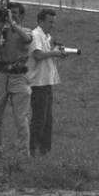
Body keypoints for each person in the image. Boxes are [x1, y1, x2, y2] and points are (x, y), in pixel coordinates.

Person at [0, 1, 33, 158]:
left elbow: (27, 39)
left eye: (15, 13)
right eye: (9, 13)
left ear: (22, 15)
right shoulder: (2, 31)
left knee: (21, 118)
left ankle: (22, 154)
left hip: (19, 76)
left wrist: (13, 24)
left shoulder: (25, 30)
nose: (11, 15)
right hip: (0, 75)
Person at [27, 9, 66, 156]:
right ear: (41, 21)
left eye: (53, 22)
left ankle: (45, 149)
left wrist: (57, 52)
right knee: (39, 118)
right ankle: (31, 149)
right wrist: (54, 53)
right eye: (50, 22)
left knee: (48, 119)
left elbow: (46, 54)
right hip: (38, 83)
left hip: (47, 81)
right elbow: (37, 55)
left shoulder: (47, 36)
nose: (52, 25)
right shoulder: (35, 35)